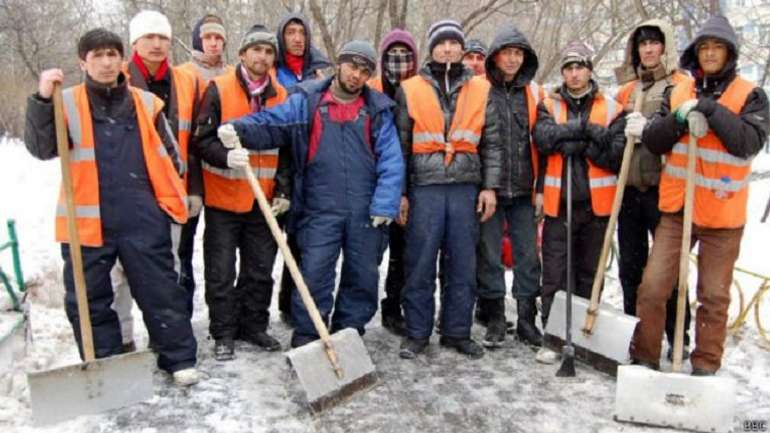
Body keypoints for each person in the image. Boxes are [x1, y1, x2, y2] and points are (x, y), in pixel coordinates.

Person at [24, 28, 200, 386]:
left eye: (111, 55)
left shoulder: (145, 103)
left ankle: (178, 359)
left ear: (122, 60)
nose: (105, 63)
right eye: (96, 56)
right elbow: (42, 148)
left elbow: (172, 157)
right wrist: (42, 100)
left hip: (141, 215)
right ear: (83, 62)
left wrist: (161, 202)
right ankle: (103, 364)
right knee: (89, 300)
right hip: (87, 219)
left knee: (160, 290)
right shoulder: (66, 102)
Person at [218, 40, 404, 348]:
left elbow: (391, 159)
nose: (357, 75)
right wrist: (238, 128)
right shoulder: (308, 101)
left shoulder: (378, 109)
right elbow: (272, 123)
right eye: (352, 66)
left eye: (365, 71)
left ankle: (349, 335)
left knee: (362, 277)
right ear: (339, 64)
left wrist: (385, 203)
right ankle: (308, 338)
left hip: (365, 210)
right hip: (319, 207)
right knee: (314, 274)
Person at [631, 15, 768, 375]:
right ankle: (645, 357)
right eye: (704, 47)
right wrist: (678, 117)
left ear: (729, 53)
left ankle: (705, 365)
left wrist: (709, 108)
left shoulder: (751, 94)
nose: (709, 54)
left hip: (723, 216)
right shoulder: (679, 91)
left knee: (714, 296)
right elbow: (654, 139)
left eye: (716, 48)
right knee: (653, 286)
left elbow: (746, 143)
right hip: (678, 210)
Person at [396, 19, 501, 360]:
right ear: (432, 48)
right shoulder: (410, 88)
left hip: (465, 188)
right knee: (420, 262)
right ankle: (416, 333)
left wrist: (489, 188)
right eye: (441, 43)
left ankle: (457, 331)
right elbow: (400, 145)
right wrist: (401, 193)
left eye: (454, 43)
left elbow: (492, 144)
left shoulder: (483, 89)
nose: (448, 49)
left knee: (462, 264)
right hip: (425, 188)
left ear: (462, 48)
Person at [193, 25, 289, 360]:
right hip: (224, 199)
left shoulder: (281, 96)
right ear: (243, 55)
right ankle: (223, 331)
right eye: (256, 50)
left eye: (268, 51)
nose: (262, 57)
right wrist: (225, 156)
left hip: (264, 201)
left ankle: (254, 325)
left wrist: (284, 190)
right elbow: (200, 140)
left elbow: (288, 148)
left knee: (260, 269)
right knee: (220, 270)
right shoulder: (218, 90)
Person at [110, 11, 203, 352]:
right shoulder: (116, 79)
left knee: (168, 271)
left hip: (171, 190)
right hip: (126, 191)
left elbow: (192, 139)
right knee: (118, 274)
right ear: (134, 42)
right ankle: (122, 341)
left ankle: (167, 339)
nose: (157, 44)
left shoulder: (184, 81)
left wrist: (194, 189)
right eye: (149, 37)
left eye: (163, 37)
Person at [532, 41, 626, 364]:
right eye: (568, 68)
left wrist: (583, 145)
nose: (574, 74)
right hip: (560, 205)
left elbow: (616, 154)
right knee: (556, 274)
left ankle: (586, 336)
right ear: (563, 73)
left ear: (589, 70)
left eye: (579, 67)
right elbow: (544, 138)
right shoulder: (549, 103)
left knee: (589, 274)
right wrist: (584, 129)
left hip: (596, 207)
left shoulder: (612, 107)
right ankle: (554, 336)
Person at [615, 20, 692, 361]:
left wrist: (652, 129)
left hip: (665, 191)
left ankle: (679, 335)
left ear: (665, 47)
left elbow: (683, 130)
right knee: (631, 267)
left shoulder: (681, 86)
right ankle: (636, 332)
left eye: (654, 43)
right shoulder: (626, 90)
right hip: (630, 190)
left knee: (667, 272)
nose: (648, 50)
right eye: (642, 44)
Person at [475, 24, 544, 349]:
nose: (513, 59)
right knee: (488, 254)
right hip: (489, 189)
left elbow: (543, 145)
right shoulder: (478, 90)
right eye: (508, 52)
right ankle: (495, 318)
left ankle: (527, 319)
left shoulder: (535, 93)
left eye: (519, 53)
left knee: (527, 256)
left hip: (524, 190)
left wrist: (541, 187)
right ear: (496, 56)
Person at [273, 12, 333, 325]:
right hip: (277, 161)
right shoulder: (272, 71)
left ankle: (296, 303)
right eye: (290, 33)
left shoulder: (320, 73)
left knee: (304, 240)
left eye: (301, 33)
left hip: (310, 162)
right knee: (276, 241)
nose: (297, 38)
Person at [366, 28, 419, 336]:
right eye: (393, 55)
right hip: (371, 181)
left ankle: (394, 306)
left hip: (408, 183)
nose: (399, 61)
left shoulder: (418, 89)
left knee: (403, 253)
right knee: (369, 254)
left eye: (405, 55)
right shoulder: (371, 88)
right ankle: (358, 309)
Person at [178, 14, 234, 88]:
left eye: (218, 38)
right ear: (199, 41)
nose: (213, 43)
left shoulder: (233, 74)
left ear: (223, 42)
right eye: (207, 37)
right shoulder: (183, 74)